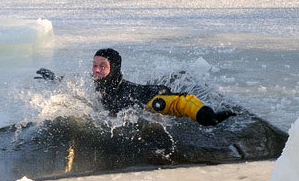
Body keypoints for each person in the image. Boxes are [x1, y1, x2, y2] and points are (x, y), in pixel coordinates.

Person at [36, 48, 235, 126]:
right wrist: (55, 78)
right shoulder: (96, 84)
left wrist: (206, 116)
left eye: (102, 67)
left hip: (152, 95)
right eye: (94, 65)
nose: (96, 71)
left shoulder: (130, 97)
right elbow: (76, 83)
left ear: (114, 69)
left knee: (167, 103)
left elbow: (179, 103)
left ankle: (208, 114)